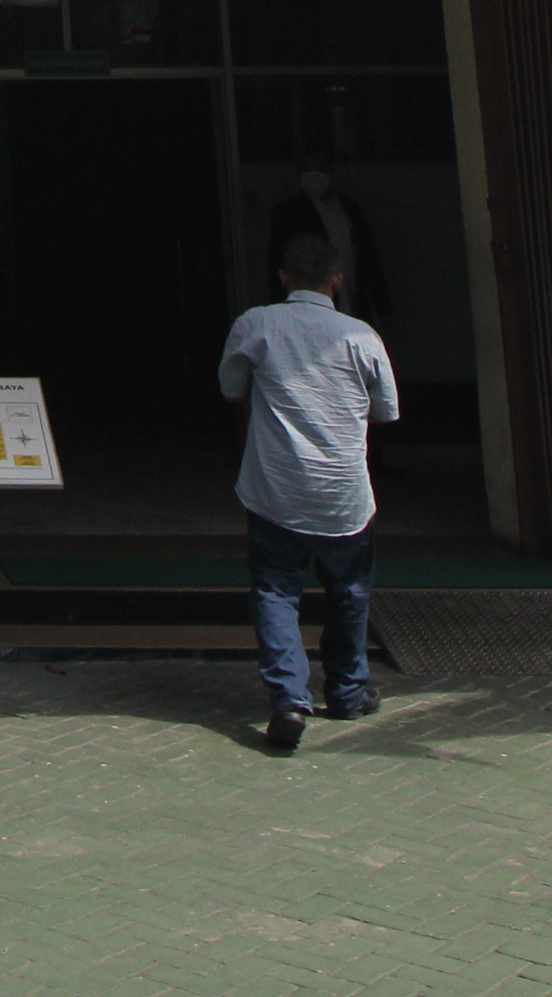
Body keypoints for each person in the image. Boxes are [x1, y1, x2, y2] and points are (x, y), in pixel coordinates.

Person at [218, 230, 400, 753]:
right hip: (344, 493)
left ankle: (288, 700)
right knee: (350, 592)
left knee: (276, 591)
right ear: (337, 282)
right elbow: (387, 411)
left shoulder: (256, 324)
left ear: (283, 278)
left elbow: (231, 388)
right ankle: (347, 690)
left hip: (275, 487)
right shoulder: (362, 336)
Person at [262, 161, 392, 327]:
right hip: (311, 311)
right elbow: (277, 260)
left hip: (354, 303)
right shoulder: (288, 213)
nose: (313, 175)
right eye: (307, 170)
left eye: (319, 169)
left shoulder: (349, 209)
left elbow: (369, 259)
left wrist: (382, 305)